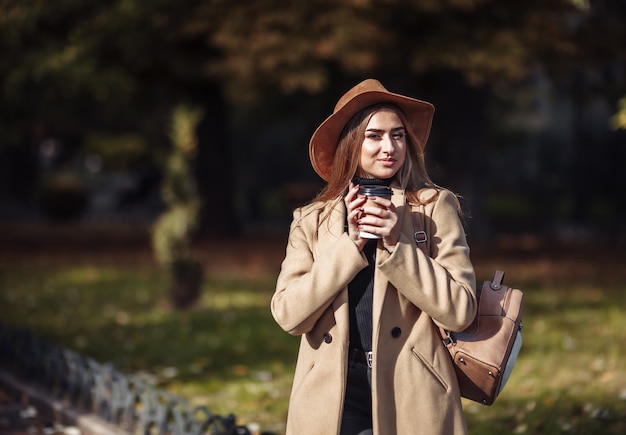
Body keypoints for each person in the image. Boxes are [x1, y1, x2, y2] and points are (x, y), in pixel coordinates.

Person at [271, 79, 477, 435]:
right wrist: (349, 246)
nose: (389, 147)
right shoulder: (312, 220)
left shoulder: (433, 208)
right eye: (375, 136)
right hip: (333, 391)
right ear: (352, 143)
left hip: (412, 384)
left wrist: (398, 247)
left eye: (398, 135)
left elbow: (460, 311)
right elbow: (289, 316)